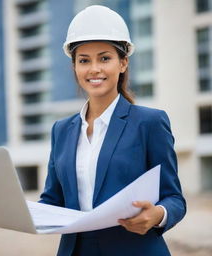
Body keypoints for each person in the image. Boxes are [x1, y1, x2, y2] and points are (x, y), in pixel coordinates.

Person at [39, 5, 186, 256]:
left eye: (104, 58)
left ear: (123, 63)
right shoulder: (61, 130)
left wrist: (157, 215)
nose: (94, 69)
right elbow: (52, 201)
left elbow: (174, 199)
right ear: (74, 67)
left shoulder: (150, 123)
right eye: (84, 60)